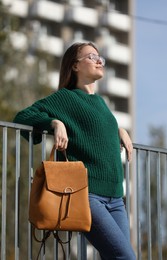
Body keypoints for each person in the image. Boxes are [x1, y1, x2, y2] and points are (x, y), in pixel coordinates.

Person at [13, 42, 136, 259]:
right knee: (125, 257)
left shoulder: (100, 102)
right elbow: (22, 116)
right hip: (88, 194)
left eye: (101, 58)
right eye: (92, 57)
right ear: (75, 66)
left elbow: (95, 129)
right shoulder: (66, 98)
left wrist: (120, 129)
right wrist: (53, 122)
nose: (99, 61)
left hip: (116, 197)